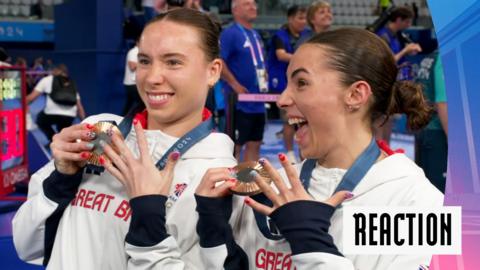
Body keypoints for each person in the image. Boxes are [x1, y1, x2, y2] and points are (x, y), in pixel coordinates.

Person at [195, 28, 444, 269]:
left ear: (356, 94)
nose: (282, 100)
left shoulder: (418, 202)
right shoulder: (270, 185)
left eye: (301, 83)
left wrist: (310, 240)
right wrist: (214, 233)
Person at [13, 8, 237, 269]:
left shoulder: (218, 178)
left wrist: (149, 212)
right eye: (144, 61)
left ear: (213, 71)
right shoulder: (97, 132)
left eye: (173, 62)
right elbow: (26, 245)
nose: (152, 78)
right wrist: (60, 181)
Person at [220, 0, 268, 162]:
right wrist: (234, 84)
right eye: (247, 4)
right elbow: (219, 61)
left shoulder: (255, 34)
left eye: (254, 4)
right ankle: (230, 184)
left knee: (255, 143)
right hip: (238, 101)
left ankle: (249, 184)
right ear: (235, 10)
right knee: (235, 146)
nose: (253, 7)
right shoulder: (230, 33)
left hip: (258, 101)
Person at [267, 5, 309, 164]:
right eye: (299, 18)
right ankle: (290, 152)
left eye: (305, 18)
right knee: (289, 120)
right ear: (290, 19)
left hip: (301, 85)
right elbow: (281, 55)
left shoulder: (306, 35)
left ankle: (304, 152)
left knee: (303, 120)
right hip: (282, 84)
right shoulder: (280, 35)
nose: (303, 21)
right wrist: (304, 59)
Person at [375, 6, 422, 143]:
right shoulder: (382, 36)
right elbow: (384, 63)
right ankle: (378, 153)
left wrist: (408, 51)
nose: (409, 25)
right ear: (399, 20)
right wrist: (405, 51)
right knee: (380, 122)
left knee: (388, 120)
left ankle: (386, 150)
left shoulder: (397, 35)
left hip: (392, 84)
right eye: (407, 22)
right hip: (381, 84)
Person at [26, 64, 86, 144]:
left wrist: (23, 102)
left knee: (40, 120)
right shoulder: (71, 83)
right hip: (70, 116)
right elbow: (79, 106)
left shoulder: (47, 80)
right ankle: (62, 142)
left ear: (55, 70)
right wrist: (85, 122)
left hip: (51, 115)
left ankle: (53, 140)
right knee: (62, 128)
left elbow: (31, 98)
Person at [415, 50, 448, 193]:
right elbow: (442, 102)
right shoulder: (444, 57)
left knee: (426, 189)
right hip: (438, 132)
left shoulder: (430, 56)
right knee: (438, 191)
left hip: (426, 130)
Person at [122, 42, 142, 114]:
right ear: (138, 42)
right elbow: (132, 66)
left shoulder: (139, 51)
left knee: (129, 104)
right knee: (142, 103)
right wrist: (144, 63)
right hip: (132, 84)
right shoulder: (134, 51)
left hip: (133, 83)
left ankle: (123, 120)